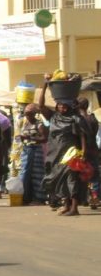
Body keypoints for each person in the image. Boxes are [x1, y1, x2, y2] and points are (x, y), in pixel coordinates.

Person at [39, 76, 86, 216]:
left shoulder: (75, 118)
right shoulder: (53, 116)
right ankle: (66, 205)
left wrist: (83, 152)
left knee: (72, 180)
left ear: (70, 105)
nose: (61, 107)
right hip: (55, 154)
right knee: (60, 181)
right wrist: (45, 85)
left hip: (70, 154)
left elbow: (83, 136)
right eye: (59, 104)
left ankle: (74, 208)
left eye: (64, 105)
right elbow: (40, 106)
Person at [18, 103, 47, 205]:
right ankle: (26, 197)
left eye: (30, 113)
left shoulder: (39, 124)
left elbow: (44, 138)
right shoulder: (25, 124)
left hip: (36, 152)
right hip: (26, 150)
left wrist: (31, 138)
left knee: (37, 175)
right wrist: (23, 139)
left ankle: (39, 199)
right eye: (26, 114)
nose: (27, 116)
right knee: (25, 175)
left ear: (34, 114)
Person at [76, 97, 99, 207]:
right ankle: (94, 197)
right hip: (93, 150)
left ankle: (85, 198)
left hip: (82, 151)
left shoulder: (79, 120)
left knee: (83, 175)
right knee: (93, 175)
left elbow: (81, 137)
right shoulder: (93, 118)